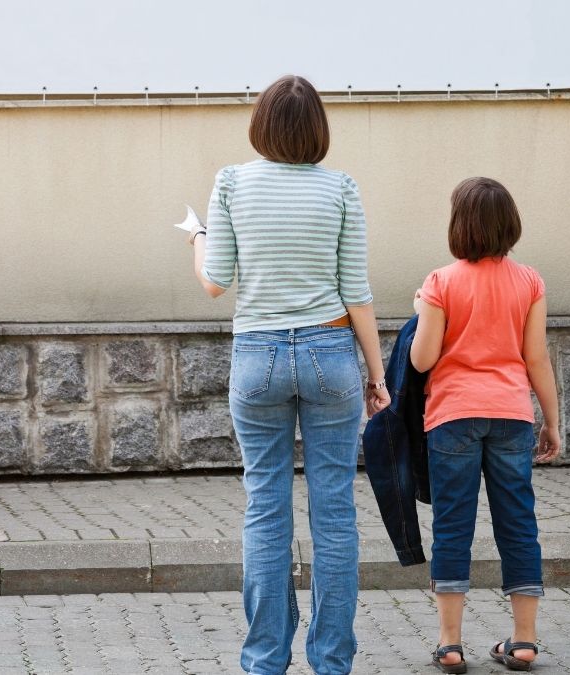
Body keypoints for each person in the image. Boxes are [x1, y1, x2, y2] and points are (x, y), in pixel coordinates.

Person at [189, 74, 390, 675]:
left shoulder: (231, 183)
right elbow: (357, 293)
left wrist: (197, 237)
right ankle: (331, 661)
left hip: (257, 356)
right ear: (317, 129)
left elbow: (214, 281)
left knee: (265, 509)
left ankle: (264, 660)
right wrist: (377, 376)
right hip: (331, 353)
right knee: (333, 512)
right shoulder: (342, 189)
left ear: (262, 125)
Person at [410, 177, 562, 673]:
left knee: (453, 525)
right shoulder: (530, 282)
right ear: (509, 223)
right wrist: (552, 422)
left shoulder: (439, 283)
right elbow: (535, 359)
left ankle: (450, 645)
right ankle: (523, 641)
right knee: (518, 522)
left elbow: (422, 359)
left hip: (453, 416)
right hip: (512, 415)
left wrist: (420, 313)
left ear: (460, 225)